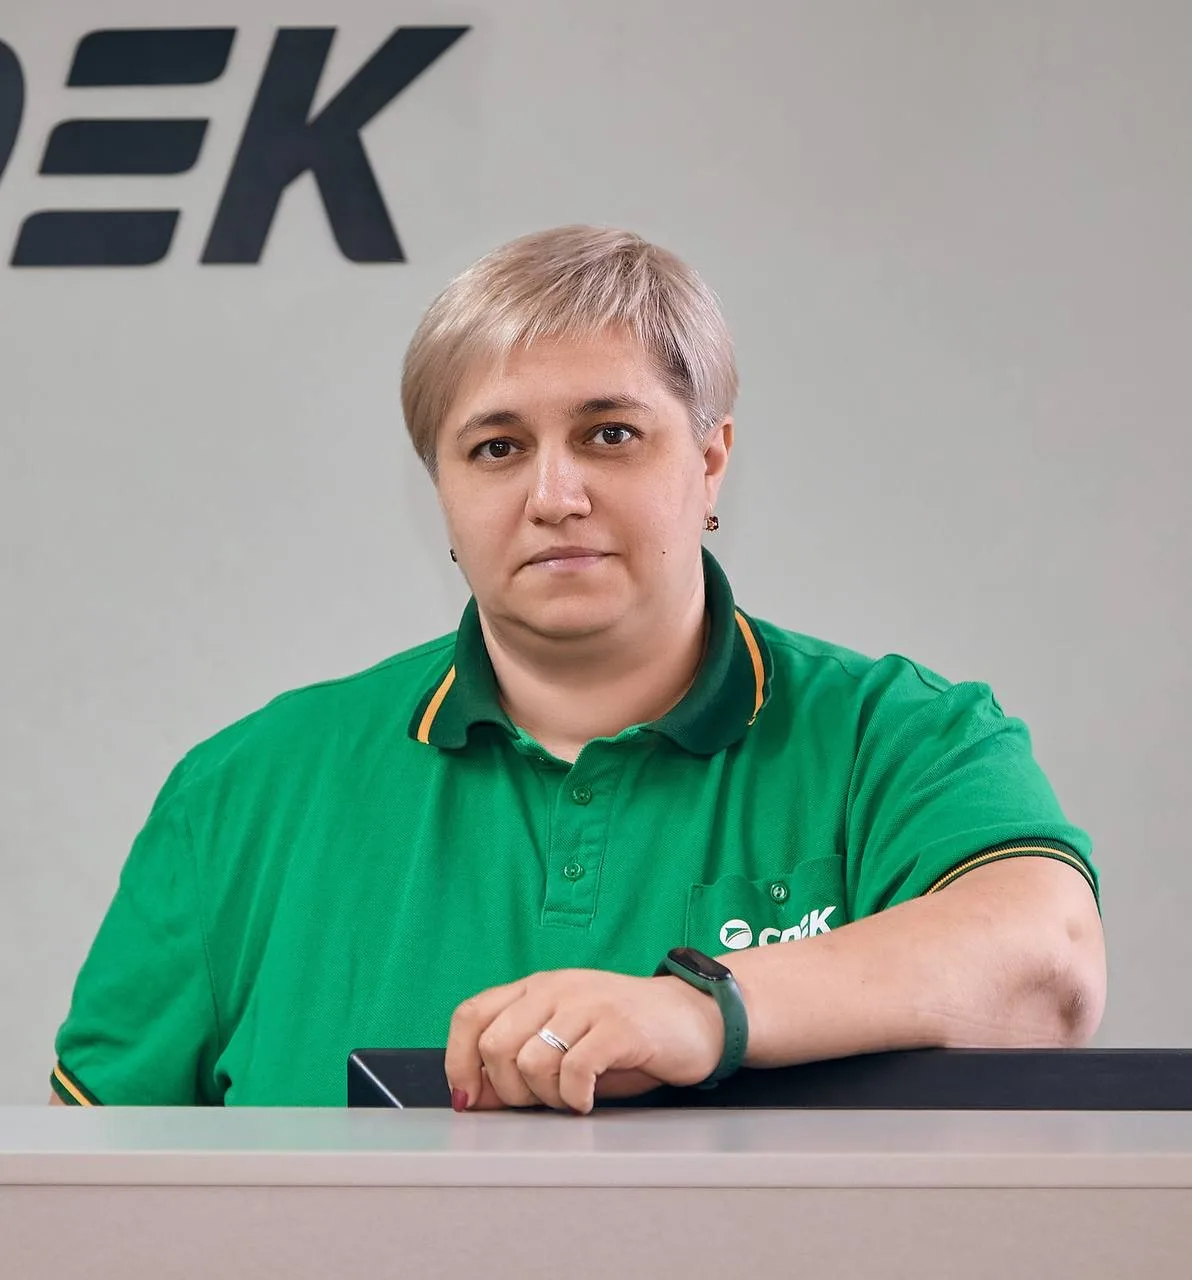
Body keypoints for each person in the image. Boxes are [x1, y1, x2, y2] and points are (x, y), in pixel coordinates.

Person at [50, 226, 1105, 1112]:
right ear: (441, 492)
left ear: (709, 460)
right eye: (496, 448)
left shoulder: (901, 739)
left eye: (609, 434)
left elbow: (1050, 963)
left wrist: (703, 1010)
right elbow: (86, 1203)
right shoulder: (240, 793)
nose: (555, 496)